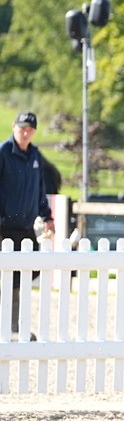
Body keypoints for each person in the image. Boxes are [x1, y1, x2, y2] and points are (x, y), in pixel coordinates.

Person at [0, 112, 54, 341]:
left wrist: (47, 216)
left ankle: (12, 327)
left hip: (25, 227)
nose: (25, 133)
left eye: (30, 130)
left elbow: (40, 189)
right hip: (3, 227)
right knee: (9, 277)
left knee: (25, 274)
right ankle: (11, 327)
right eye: (22, 128)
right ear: (14, 126)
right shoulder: (3, 153)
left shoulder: (35, 155)